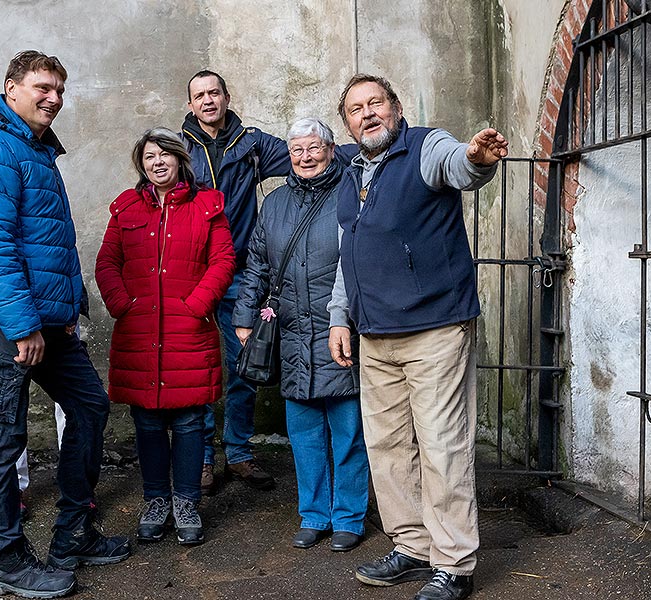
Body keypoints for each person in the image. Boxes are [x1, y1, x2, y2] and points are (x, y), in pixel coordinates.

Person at [0, 50, 130, 599]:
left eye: (59, 87)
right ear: (11, 88)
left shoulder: (33, 148)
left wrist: (68, 309)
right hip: (8, 325)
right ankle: (3, 561)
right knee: (2, 439)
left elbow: (47, 241)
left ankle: (72, 532)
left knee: (90, 406)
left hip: (46, 322)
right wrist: (23, 324)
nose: (53, 96)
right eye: (41, 86)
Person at [329, 74, 508, 600]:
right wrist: (341, 316)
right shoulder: (351, 173)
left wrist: (476, 158)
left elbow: (460, 165)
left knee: (441, 446)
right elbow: (349, 253)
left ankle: (453, 562)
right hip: (375, 334)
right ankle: (412, 545)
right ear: (347, 122)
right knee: (389, 448)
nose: (367, 114)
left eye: (375, 103)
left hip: (434, 327)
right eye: (355, 109)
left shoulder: (425, 146)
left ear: (395, 107)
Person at [233, 117, 369, 552]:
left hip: (338, 329)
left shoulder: (351, 191)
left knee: (348, 431)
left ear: (331, 149)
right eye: (296, 151)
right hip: (290, 331)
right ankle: (314, 515)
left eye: (313, 148)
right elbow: (257, 262)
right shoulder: (273, 203)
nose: (305, 157)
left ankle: (349, 517)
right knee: (305, 433)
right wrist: (244, 314)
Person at [96, 127, 234, 545]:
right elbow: (107, 262)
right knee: (148, 420)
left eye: (164, 155)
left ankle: (186, 501)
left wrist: (197, 306)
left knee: (191, 420)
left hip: (188, 328)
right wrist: (123, 305)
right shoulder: (126, 208)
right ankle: (156, 498)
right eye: (149, 157)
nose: (157, 163)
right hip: (139, 330)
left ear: (179, 159)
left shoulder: (207, 205)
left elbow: (223, 259)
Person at [181, 70, 291, 494]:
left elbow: (307, 157)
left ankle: (239, 452)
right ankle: (204, 458)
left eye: (214, 92)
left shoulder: (252, 142)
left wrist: (360, 155)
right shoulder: (179, 146)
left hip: (242, 274)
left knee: (245, 362)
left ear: (227, 97)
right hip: (194, 274)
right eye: (199, 95)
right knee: (201, 367)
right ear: (190, 105)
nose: (207, 100)